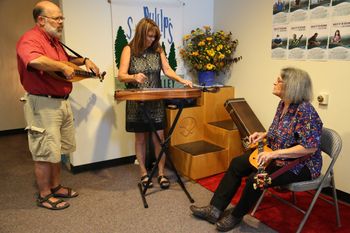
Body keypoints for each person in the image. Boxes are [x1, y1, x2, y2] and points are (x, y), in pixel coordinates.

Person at [190, 67, 323, 232]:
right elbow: (281, 131)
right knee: (237, 163)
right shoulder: (283, 104)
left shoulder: (306, 111)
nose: (274, 82)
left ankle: (236, 215)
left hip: (300, 165)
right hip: (277, 155)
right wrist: (263, 135)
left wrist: (274, 153)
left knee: (257, 179)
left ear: (292, 86)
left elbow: (309, 148)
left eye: (279, 80)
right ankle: (214, 209)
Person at [16, 1, 101, 210]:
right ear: (41, 20)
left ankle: (55, 187)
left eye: (62, 18)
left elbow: (65, 60)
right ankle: (44, 194)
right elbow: (34, 60)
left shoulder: (54, 41)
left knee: (57, 150)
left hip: (60, 103)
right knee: (44, 151)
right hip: (42, 104)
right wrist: (62, 66)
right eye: (57, 18)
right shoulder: (30, 39)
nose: (61, 22)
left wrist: (84, 60)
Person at [118, 18, 192, 189]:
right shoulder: (129, 50)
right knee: (141, 139)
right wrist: (133, 77)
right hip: (137, 103)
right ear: (141, 33)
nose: (151, 40)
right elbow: (121, 75)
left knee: (160, 138)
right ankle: (143, 173)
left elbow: (167, 70)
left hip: (155, 102)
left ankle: (160, 173)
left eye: (154, 37)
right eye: (149, 36)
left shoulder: (158, 50)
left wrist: (182, 80)